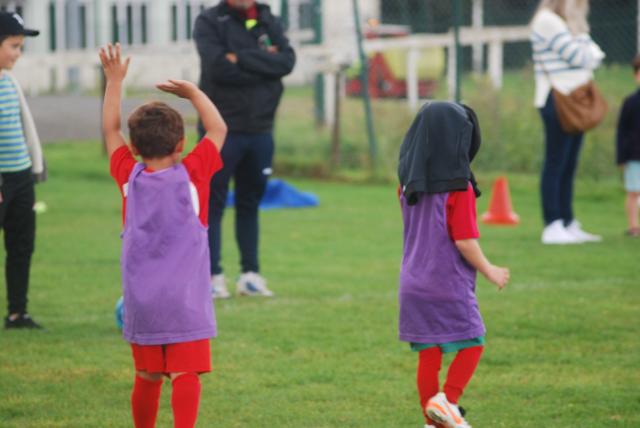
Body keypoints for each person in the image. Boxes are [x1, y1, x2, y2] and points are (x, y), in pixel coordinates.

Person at [99, 43, 227, 428]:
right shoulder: (193, 173)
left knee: (147, 376)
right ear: (181, 144)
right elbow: (219, 128)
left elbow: (109, 129)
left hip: (142, 303)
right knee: (185, 376)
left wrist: (115, 80)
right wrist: (194, 93)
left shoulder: (129, 176)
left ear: (134, 148)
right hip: (184, 302)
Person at [397, 102, 510, 428]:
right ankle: (449, 401)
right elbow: (463, 239)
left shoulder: (406, 185)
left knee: (429, 354)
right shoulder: (458, 188)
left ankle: (432, 423)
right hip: (445, 281)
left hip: (412, 281)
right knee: (474, 341)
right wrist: (490, 269)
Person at [194, 0, 295, 298]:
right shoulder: (210, 21)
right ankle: (213, 277)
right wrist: (265, 63)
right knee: (212, 202)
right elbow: (218, 68)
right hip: (221, 131)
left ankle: (250, 275)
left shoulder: (268, 19)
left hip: (261, 130)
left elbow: (287, 62)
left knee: (250, 203)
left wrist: (241, 58)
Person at [531, 0, 605, 244]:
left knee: (569, 163)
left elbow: (596, 54)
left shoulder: (564, 23)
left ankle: (567, 221)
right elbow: (580, 56)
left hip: (574, 99)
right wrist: (581, 35)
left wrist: (580, 36)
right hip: (557, 99)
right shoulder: (547, 20)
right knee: (556, 162)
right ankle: (552, 224)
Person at [0, 12, 46, 329]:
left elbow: (23, 128)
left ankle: (18, 313)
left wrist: (34, 169)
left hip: (20, 177)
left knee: (21, 246)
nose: (18, 53)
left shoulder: (9, 81)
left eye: (20, 47)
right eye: (14, 46)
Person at [616, 55, 640, 238]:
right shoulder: (630, 102)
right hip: (634, 156)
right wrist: (621, 157)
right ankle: (633, 226)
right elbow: (622, 131)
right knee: (633, 192)